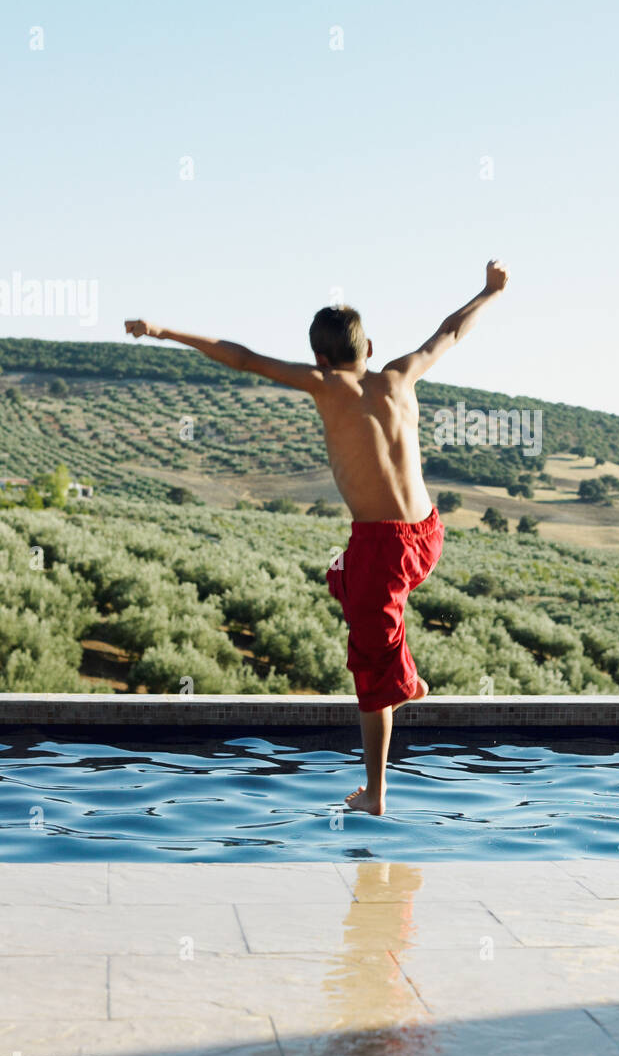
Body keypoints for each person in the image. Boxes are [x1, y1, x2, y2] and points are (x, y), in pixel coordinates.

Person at [125, 258, 510, 813]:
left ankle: (376, 791)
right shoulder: (401, 375)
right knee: (345, 579)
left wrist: (163, 331)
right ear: (370, 347)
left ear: (321, 358)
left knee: (368, 669)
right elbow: (452, 330)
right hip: (427, 535)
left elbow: (242, 357)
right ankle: (400, 671)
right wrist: (491, 291)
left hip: (385, 544)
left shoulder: (326, 385)